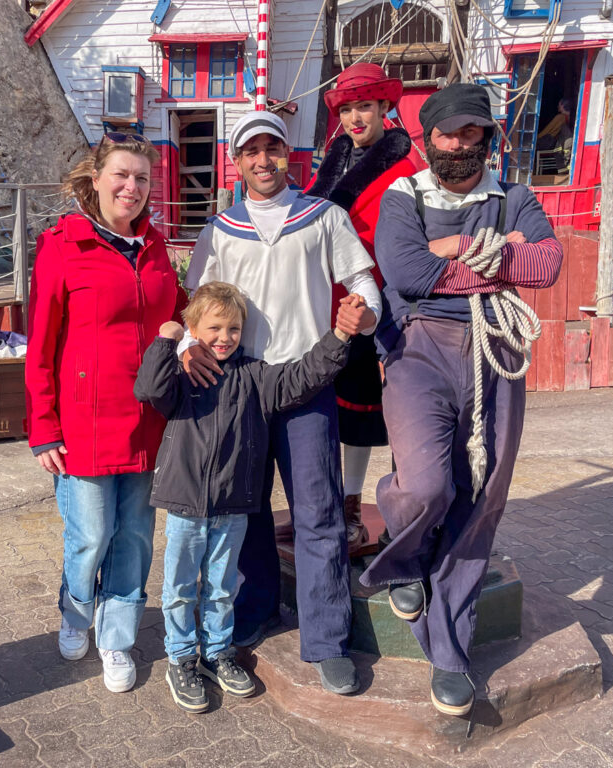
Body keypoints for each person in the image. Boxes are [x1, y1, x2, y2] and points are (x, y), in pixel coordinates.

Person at [360, 83, 563, 716]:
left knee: (484, 493)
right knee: (425, 485)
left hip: (495, 347)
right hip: (418, 350)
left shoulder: (514, 195)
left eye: (470, 132)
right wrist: (497, 251)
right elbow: (406, 273)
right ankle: (406, 557)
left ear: (487, 137)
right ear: (429, 140)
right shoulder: (405, 196)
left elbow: (547, 266)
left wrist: (450, 253)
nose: (457, 144)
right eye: (446, 134)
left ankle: (449, 650)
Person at [183, 111, 381, 695]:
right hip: (239, 384)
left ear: (288, 156)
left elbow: (363, 282)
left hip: (306, 380)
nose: (262, 160)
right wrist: (189, 346)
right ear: (237, 161)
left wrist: (364, 314)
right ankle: (257, 610)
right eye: (251, 151)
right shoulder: (219, 230)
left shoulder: (322, 217)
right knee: (245, 511)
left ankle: (327, 640)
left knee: (318, 513)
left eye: (272, 148)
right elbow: (194, 304)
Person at [135, 282, 368, 712]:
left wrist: (338, 337)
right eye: (214, 328)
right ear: (195, 329)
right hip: (186, 505)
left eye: (234, 329)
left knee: (222, 586)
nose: (224, 338)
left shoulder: (255, 376)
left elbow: (301, 377)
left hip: (232, 507)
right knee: (181, 587)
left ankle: (217, 653)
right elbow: (149, 389)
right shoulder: (185, 376)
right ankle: (181, 658)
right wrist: (168, 340)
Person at [25, 131, 186, 694]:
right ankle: (75, 613)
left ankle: (117, 637)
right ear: (95, 180)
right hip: (83, 425)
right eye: (121, 174)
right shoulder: (61, 246)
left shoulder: (158, 248)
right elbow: (40, 345)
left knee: (135, 537)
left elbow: (178, 314)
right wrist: (43, 428)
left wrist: (189, 338)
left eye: (142, 178)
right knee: (91, 535)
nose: (131, 187)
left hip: (148, 422)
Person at [289, 62, 416, 552]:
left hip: (371, 301)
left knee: (363, 412)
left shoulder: (406, 172)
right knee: (321, 408)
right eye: (346, 109)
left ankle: (353, 508)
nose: (355, 118)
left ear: (385, 107)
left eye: (364, 106)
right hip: (321, 301)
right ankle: (323, 507)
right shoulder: (333, 162)